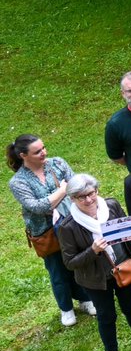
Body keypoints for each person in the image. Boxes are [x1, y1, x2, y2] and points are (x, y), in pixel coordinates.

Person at [59, 173, 131, 351]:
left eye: (91, 194)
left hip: (124, 268)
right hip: (95, 280)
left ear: (97, 191)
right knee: (106, 316)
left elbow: (127, 232)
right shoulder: (68, 226)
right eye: (81, 197)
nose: (88, 200)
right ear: (72, 199)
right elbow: (70, 262)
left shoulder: (110, 206)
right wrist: (92, 250)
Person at [8, 134, 92, 326]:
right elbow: (38, 207)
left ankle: (86, 299)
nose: (43, 153)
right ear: (23, 155)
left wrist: (65, 191)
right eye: (37, 151)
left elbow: (78, 186)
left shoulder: (58, 164)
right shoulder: (18, 182)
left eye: (43, 148)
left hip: (72, 223)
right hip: (45, 231)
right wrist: (63, 190)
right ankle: (66, 308)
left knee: (79, 261)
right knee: (57, 270)